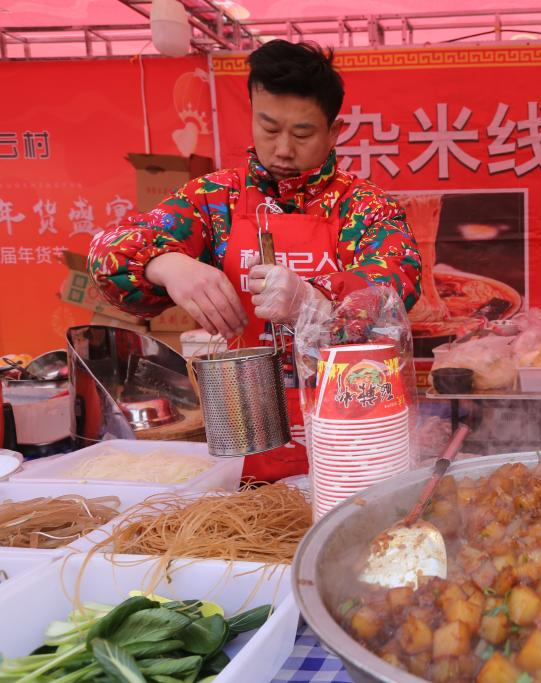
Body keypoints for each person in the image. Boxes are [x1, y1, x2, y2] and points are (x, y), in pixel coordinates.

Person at [89, 40, 421, 481]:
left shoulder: (365, 206)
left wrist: (314, 301)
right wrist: (167, 265)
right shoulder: (214, 199)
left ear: (334, 131)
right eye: (268, 128)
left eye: (302, 134)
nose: (283, 149)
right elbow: (108, 254)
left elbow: (398, 279)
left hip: (352, 432)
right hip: (246, 433)